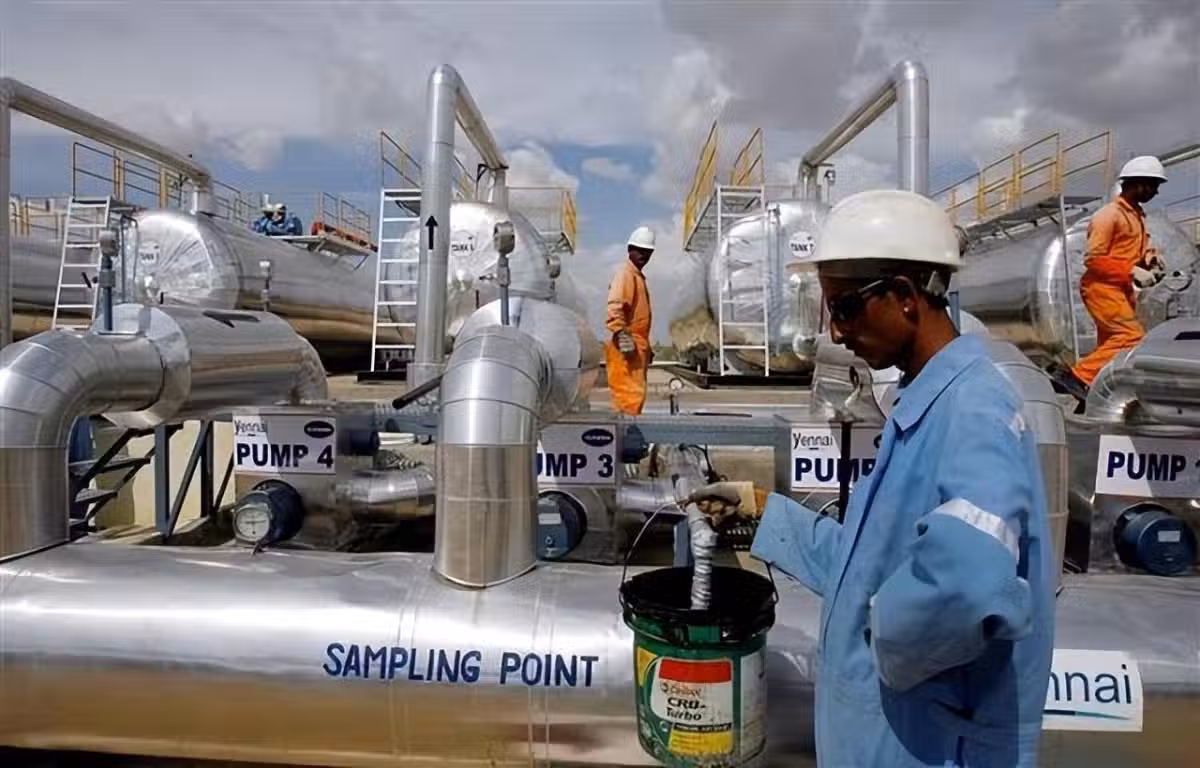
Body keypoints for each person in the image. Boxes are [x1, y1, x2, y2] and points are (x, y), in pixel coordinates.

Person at [691, 190, 1057, 766]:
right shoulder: (926, 403)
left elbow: (967, 580)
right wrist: (764, 511)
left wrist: (878, 639)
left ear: (905, 296)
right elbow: (870, 564)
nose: (836, 334)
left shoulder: (974, 408)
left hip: (925, 745)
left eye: (843, 308)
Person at [1063, 155, 1167, 393]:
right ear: (1137, 183)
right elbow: (1094, 259)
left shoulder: (1136, 215)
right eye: (1153, 185)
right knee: (1130, 336)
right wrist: (1131, 270)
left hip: (1120, 289)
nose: (1156, 192)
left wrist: (1150, 259)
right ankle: (1077, 377)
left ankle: (1097, 387)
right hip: (1102, 287)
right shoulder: (1109, 215)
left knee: (1111, 343)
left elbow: (1131, 248)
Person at [605, 226, 655, 414]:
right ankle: (626, 431)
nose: (644, 255)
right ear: (629, 250)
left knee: (634, 398)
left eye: (648, 251)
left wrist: (646, 348)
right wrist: (621, 334)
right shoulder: (626, 275)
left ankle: (628, 429)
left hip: (636, 346)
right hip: (626, 347)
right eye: (640, 250)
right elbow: (615, 306)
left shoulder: (636, 277)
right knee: (628, 399)